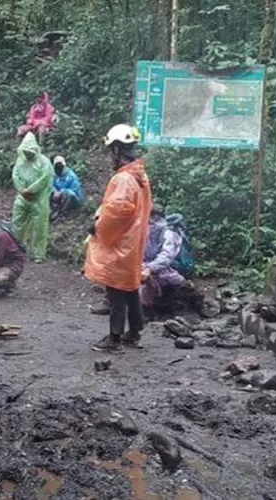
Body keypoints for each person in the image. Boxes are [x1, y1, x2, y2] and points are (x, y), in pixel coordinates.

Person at [84, 124, 152, 351]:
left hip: (120, 243)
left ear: (116, 150)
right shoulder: (139, 176)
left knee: (116, 291)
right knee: (130, 287)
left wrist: (97, 227)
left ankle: (114, 338)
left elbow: (117, 211)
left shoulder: (123, 179)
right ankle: (134, 332)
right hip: (132, 242)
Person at [12, 132, 53, 263]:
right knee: (17, 223)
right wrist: (21, 189)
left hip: (38, 199)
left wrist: (31, 190)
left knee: (39, 226)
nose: (27, 153)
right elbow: (15, 175)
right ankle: (15, 249)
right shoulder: (20, 161)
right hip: (22, 197)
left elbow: (45, 178)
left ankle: (38, 254)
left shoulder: (43, 162)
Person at [139, 205, 186, 319]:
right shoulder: (144, 230)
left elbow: (166, 256)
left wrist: (149, 268)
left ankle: (149, 310)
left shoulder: (168, 232)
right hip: (147, 265)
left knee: (148, 279)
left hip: (169, 268)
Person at [50, 156, 84, 221]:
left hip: (73, 198)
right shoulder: (54, 175)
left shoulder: (71, 176)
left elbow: (74, 189)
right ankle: (52, 209)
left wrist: (61, 192)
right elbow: (51, 184)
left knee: (69, 194)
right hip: (58, 195)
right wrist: (54, 191)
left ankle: (61, 212)